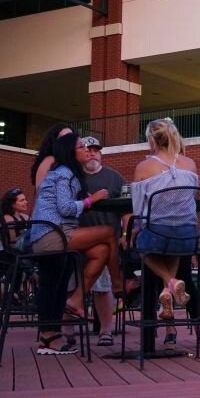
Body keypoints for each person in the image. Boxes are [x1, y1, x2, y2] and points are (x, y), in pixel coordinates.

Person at [28, 132, 122, 355]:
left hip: (58, 233)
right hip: (52, 235)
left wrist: (87, 197)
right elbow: (66, 209)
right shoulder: (65, 173)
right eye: (81, 147)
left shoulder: (68, 174)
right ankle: (118, 283)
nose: (85, 150)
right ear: (71, 152)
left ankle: (77, 299)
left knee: (100, 250)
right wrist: (93, 199)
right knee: (108, 232)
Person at [131, 118, 198, 329]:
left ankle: (170, 282)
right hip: (188, 236)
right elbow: (191, 199)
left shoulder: (144, 167)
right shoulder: (191, 164)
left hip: (158, 234)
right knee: (174, 242)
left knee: (141, 246)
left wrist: (134, 231)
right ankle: (167, 291)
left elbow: (138, 209)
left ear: (152, 140)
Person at [76, 136, 124, 347]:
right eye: (88, 149)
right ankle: (67, 332)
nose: (93, 152)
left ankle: (106, 330)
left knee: (102, 287)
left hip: (107, 244)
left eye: (96, 149)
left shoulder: (115, 178)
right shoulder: (73, 178)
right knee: (71, 284)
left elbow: (127, 210)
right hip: (77, 239)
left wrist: (125, 235)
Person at [30, 123, 73, 189]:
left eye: (71, 137)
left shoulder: (71, 163)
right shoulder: (50, 161)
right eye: (63, 137)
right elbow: (41, 193)